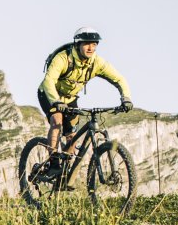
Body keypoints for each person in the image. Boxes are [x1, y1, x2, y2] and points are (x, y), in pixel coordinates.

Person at [38, 27, 133, 175]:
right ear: (78, 44)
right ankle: (54, 163)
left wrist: (126, 98)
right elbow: (49, 81)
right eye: (87, 44)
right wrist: (56, 101)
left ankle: (65, 172)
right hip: (49, 95)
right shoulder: (63, 58)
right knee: (57, 121)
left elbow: (119, 79)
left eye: (94, 44)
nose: (91, 48)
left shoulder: (97, 63)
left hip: (70, 98)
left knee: (72, 135)